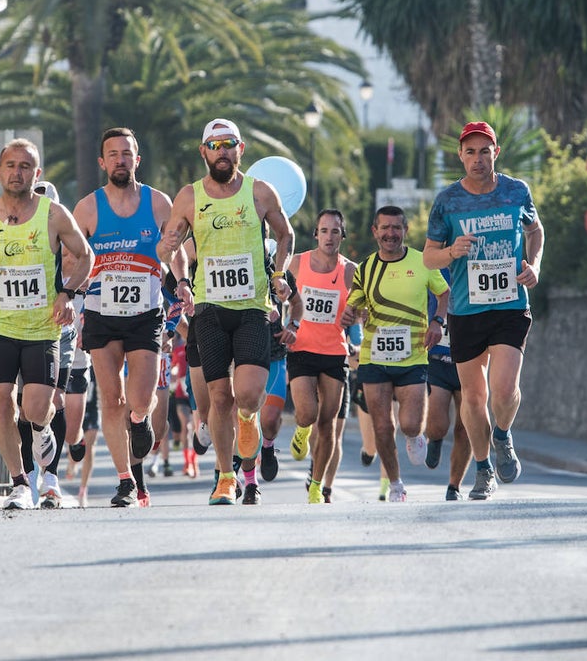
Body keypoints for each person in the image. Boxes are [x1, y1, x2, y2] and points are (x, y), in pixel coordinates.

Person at [158, 118, 295, 505]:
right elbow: (170, 250)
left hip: (253, 307)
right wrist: (181, 280)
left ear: (241, 149)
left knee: (248, 396)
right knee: (219, 399)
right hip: (210, 310)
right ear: (203, 152)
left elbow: (285, 234)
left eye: (229, 143)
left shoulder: (259, 192)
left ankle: (248, 422)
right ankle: (225, 478)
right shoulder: (188, 197)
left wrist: (280, 273)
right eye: (214, 145)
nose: (222, 151)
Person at [0, 138, 93, 510]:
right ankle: (19, 483)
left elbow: (86, 255)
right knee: (0, 402)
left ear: (37, 173)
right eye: (10, 165)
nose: (17, 172)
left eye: (25, 166)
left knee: (36, 407)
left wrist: (65, 292)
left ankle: (42, 430)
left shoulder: (53, 214)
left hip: (42, 326)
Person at [423, 121, 544, 500]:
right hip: (466, 311)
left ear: (496, 153)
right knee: (474, 399)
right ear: (460, 156)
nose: (478, 159)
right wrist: (450, 252)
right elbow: (428, 257)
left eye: (484, 151)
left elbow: (535, 231)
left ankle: (503, 435)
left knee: (504, 392)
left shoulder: (516, 191)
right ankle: (482, 467)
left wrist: (534, 265)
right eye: (470, 152)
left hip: (510, 304)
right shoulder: (447, 201)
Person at [72, 127, 183, 507]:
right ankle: (125, 481)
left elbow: (175, 249)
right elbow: (71, 260)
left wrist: (181, 281)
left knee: (140, 398)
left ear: (137, 159)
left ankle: (139, 421)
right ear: (102, 162)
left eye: (127, 153)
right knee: (111, 398)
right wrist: (70, 297)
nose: (120, 160)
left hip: (145, 313)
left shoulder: (158, 204)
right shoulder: (86, 209)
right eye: (113, 154)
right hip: (101, 314)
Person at [340, 205, 449, 502]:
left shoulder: (423, 262)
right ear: (375, 232)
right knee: (382, 425)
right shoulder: (365, 268)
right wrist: (349, 315)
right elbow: (355, 304)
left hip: (413, 356)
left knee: (410, 424)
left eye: (396, 228)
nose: (390, 233)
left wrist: (438, 321)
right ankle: (396, 484)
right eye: (384, 228)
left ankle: (415, 436)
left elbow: (443, 293)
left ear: (405, 231)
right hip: (374, 357)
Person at [284, 209, 356, 504]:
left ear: (342, 235)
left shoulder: (350, 270)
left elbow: (359, 311)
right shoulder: (297, 263)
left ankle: (316, 485)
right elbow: (278, 295)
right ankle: (301, 431)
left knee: (328, 424)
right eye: (324, 231)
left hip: (334, 351)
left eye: (335, 231)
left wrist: (355, 317)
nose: (329, 237)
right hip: (301, 348)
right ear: (315, 234)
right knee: (308, 414)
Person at [424, 268, 472, 500]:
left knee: (466, 428)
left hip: (471, 359)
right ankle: (434, 437)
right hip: (438, 359)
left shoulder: (477, 265)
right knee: (438, 423)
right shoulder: (434, 267)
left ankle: (454, 486)